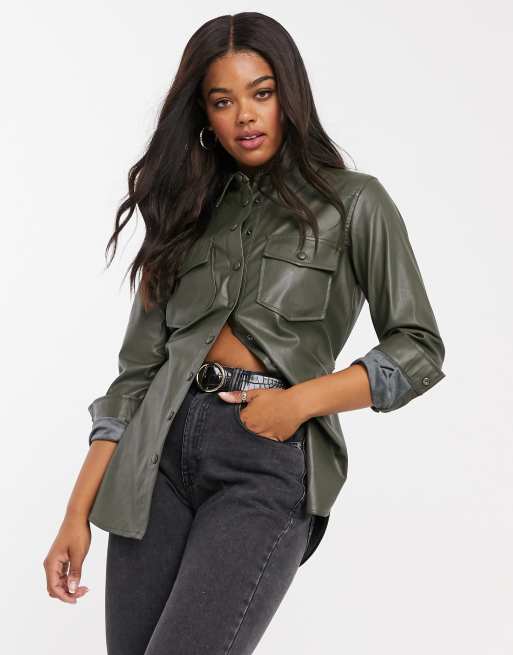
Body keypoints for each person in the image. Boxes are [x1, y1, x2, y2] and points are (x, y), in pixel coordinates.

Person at [43, 11, 446, 655]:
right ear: (204, 114)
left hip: (263, 459)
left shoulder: (355, 203)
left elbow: (418, 347)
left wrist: (298, 403)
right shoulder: (184, 211)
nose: (245, 116)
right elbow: (136, 378)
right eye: (222, 100)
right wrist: (76, 513)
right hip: (154, 463)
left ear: (291, 95)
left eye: (261, 92)